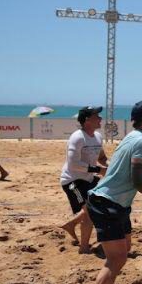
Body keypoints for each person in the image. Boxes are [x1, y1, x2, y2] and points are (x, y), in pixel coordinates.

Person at [76, 100, 142, 284]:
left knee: (125, 247)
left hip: (114, 202)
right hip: (108, 203)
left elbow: (127, 174)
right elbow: (136, 180)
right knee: (116, 259)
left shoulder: (132, 137)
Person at [60, 106, 109, 254]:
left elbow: (101, 157)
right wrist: (99, 170)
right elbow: (73, 164)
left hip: (88, 179)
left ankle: (73, 226)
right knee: (89, 211)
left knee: (95, 209)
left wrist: (109, 166)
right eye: (97, 116)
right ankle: (83, 247)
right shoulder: (77, 137)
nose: (100, 118)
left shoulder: (98, 136)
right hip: (72, 181)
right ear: (87, 120)